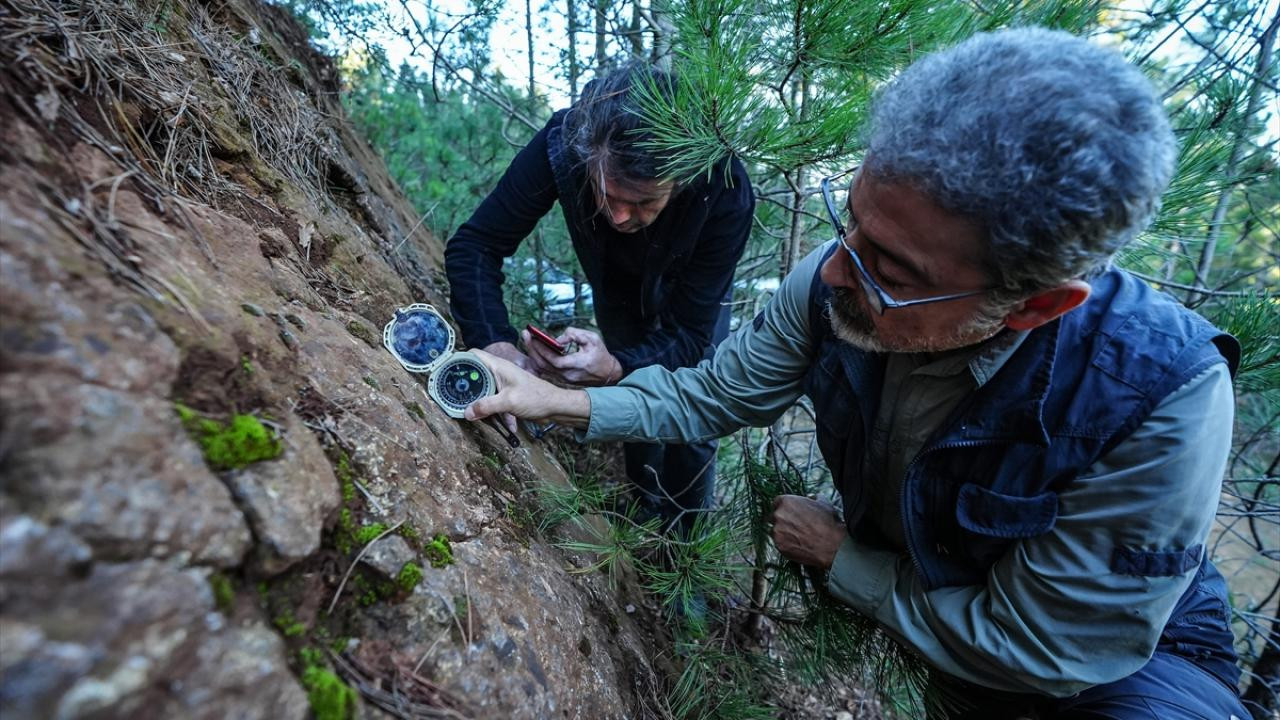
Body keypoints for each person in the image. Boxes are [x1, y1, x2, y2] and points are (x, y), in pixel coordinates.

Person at [462, 28, 1251, 720]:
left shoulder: (1159, 395)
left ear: (1035, 305)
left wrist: (847, 561)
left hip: (1134, 674)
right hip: (955, 661)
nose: (835, 270)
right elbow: (715, 391)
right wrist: (554, 399)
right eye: (852, 222)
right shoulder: (839, 276)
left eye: (892, 270)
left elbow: (1047, 649)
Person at [444, 64, 754, 534]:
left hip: (694, 296)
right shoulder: (565, 142)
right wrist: (496, 343)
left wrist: (614, 366)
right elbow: (477, 246)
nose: (619, 216)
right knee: (631, 393)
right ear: (588, 154)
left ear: (682, 179)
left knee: (695, 415)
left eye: (644, 202)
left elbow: (690, 335)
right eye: (607, 193)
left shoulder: (724, 185)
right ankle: (643, 508)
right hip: (617, 285)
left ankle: (682, 546)